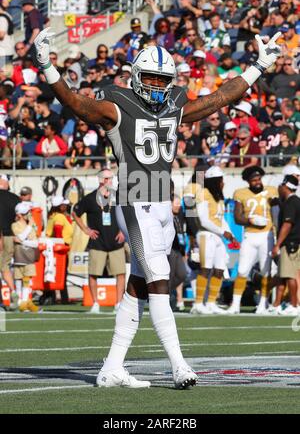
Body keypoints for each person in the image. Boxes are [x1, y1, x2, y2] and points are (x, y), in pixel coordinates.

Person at [33, 26, 282, 389]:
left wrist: (258, 66)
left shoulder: (175, 104)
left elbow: (217, 99)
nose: (154, 83)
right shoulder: (118, 106)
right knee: (159, 280)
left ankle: (112, 367)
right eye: (149, 76)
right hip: (135, 199)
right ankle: (179, 365)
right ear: (135, 76)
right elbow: (77, 104)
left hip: (162, 202)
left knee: (138, 283)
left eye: (162, 78)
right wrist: (48, 69)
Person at [72, 168, 126, 313]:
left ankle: (118, 303)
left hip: (116, 241)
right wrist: (86, 230)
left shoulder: (118, 196)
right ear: (101, 180)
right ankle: (95, 303)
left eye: (111, 178)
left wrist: (123, 231)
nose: (110, 181)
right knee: (93, 273)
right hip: (97, 243)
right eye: (107, 178)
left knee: (120, 273)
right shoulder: (90, 198)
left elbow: (128, 213)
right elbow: (75, 212)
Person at [227, 166, 278, 315]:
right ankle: (235, 305)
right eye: (254, 180)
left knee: (265, 271)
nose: (257, 182)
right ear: (248, 181)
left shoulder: (271, 191)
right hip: (250, 235)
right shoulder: (240, 193)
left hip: (267, 235)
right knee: (242, 270)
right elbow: (237, 217)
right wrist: (250, 220)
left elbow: (277, 211)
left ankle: (263, 304)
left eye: (259, 179)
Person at [191, 166, 233, 315]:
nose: (223, 183)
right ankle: (197, 303)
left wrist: (229, 233)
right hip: (205, 235)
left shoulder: (218, 196)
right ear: (215, 180)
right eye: (221, 180)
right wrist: (223, 232)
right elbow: (203, 220)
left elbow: (220, 219)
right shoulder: (202, 193)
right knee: (205, 269)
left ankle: (211, 303)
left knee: (220, 269)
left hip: (217, 236)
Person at [271, 175, 300, 316]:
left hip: (290, 243)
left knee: (290, 276)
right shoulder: (294, 201)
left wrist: (277, 244)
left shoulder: (291, 203)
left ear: (285, 186)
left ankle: (294, 305)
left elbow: (287, 224)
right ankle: (277, 304)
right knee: (283, 275)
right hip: (294, 242)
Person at [11, 201, 40, 312]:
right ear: (19, 215)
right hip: (18, 257)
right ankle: (19, 303)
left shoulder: (31, 226)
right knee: (18, 280)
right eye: (26, 213)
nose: (29, 214)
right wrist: (28, 229)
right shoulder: (15, 225)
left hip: (29, 258)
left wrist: (22, 241)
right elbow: (21, 236)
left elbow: (35, 243)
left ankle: (24, 302)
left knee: (27, 282)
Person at [0, 174, 20, 310]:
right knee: (5, 266)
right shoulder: (15, 198)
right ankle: (13, 292)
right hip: (10, 236)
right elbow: (20, 218)